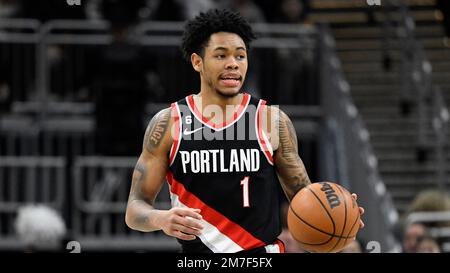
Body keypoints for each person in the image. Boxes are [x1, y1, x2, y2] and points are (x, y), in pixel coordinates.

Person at [125, 9, 364, 253]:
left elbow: (304, 198)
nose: (232, 64)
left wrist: (338, 214)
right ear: (197, 61)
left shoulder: (271, 120)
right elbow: (135, 207)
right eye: (221, 56)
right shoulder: (169, 123)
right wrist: (161, 219)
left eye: (240, 56)